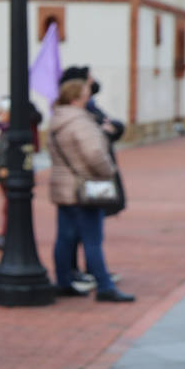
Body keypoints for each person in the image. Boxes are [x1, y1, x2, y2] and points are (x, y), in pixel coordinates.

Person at [48, 77, 135, 303]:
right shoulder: (80, 121)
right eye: (87, 93)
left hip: (64, 187)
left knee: (65, 238)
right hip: (85, 187)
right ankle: (105, 286)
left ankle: (63, 281)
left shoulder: (58, 119)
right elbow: (95, 154)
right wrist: (109, 171)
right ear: (78, 97)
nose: (90, 97)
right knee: (92, 239)